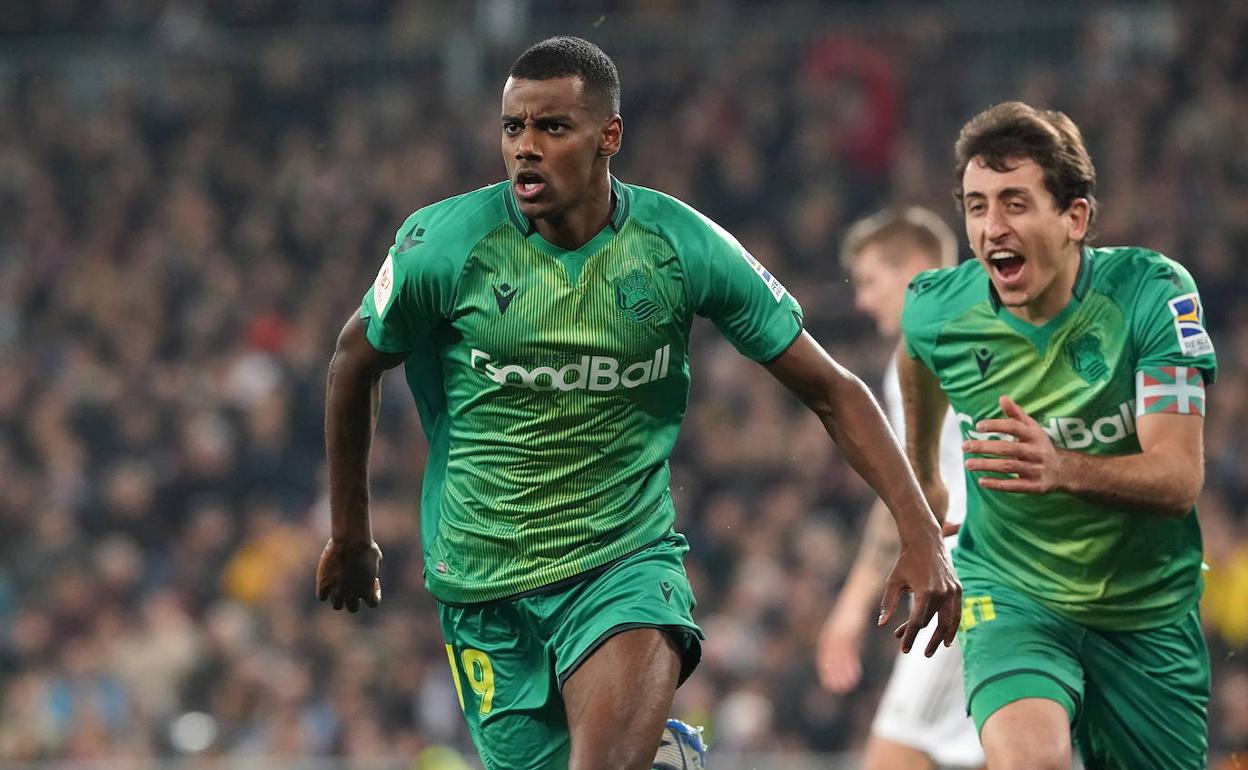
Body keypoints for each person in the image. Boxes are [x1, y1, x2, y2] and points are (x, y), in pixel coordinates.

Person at [316, 36, 961, 770]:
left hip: (622, 568)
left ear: (609, 137)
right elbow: (352, 363)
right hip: (480, 587)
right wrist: (349, 531)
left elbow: (833, 390)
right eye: (512, 128)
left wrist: (919, 529)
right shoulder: (442, 246)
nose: (525, 148)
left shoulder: (677, 244)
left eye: (552, 128)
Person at [900, 101, 1217, 769]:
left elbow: (1179, 479)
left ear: (1075, 217)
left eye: (1015, 203)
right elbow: (915, 351)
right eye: (977, 206)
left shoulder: (1152, 296)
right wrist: (921, 470)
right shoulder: (940, 306)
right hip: (1012, 594)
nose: (992, 227)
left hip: (1148, 614)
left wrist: (1064, 466)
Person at [816, 206, 984, 770]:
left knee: (896, 752)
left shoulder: (927, 345)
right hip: (1018, 573)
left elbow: (906, 498)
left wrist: (849, 607)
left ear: (915, 269)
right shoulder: (998, 324)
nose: (861, 301)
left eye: (870, 281)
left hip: (972, 575)